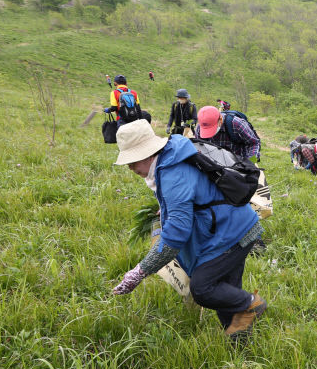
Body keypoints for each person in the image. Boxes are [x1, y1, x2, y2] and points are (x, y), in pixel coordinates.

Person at [109, 119, 267, 341]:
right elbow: (192, 196)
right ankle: (240, 348)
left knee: (203, 288)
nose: (130, 167)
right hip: (232, 224)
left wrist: (141, 271)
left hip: (233, 232)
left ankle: (253, 304)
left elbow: (176, 235)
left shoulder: (173, 172)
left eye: (133, 160)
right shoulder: (171, 155)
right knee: (226, 293)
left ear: (148, 153)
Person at [195, 106, 261, 163]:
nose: (211, 134)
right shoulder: (200, 129)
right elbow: (200, 148)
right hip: (215, 163)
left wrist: (250, 162)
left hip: (238, 162)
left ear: (220, 119)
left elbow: (254, 143)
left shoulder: (236, 124)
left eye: (212, 128)